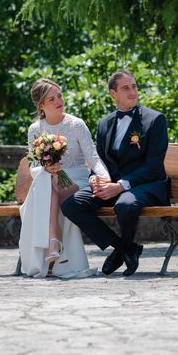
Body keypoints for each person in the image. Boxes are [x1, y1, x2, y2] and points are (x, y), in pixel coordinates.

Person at [62, 70, 169, 276]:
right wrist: (94, 178)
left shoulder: (155, 120)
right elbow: (98, 159)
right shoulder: (105, 123)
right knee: (72, 205)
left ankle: (124, 249)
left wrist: (120, 186)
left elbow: (153, 166)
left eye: (134, 86)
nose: (132, 92)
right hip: (111, 184)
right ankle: (124, 248)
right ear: (113, 94)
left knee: (125, 205)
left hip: (145, 185)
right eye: (126, 88)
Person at [19, 79, 110, 278]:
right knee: (47, 179)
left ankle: (53, 242)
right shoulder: (35, 129)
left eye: (59, 95)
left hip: (77, 181)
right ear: (41, 105)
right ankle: (54, 242)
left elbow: (92, 157)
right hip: (49, 181)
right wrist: (48, 167)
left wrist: (105, 178)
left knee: (48, 183)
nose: (58, 101)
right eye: (51, 99)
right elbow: (34, 166)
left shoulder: (76, 124)